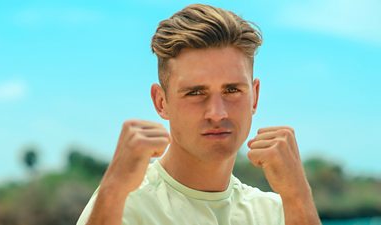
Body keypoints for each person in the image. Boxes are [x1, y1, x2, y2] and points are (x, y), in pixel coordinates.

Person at [77, 3, 321, 225]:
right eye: (195, 93)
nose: (217, 113)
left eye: (232, 90)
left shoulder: (279, 212)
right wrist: (112, 191)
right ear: (161, 102)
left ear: (254, 96)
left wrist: (298, 195)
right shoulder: (122, 209)